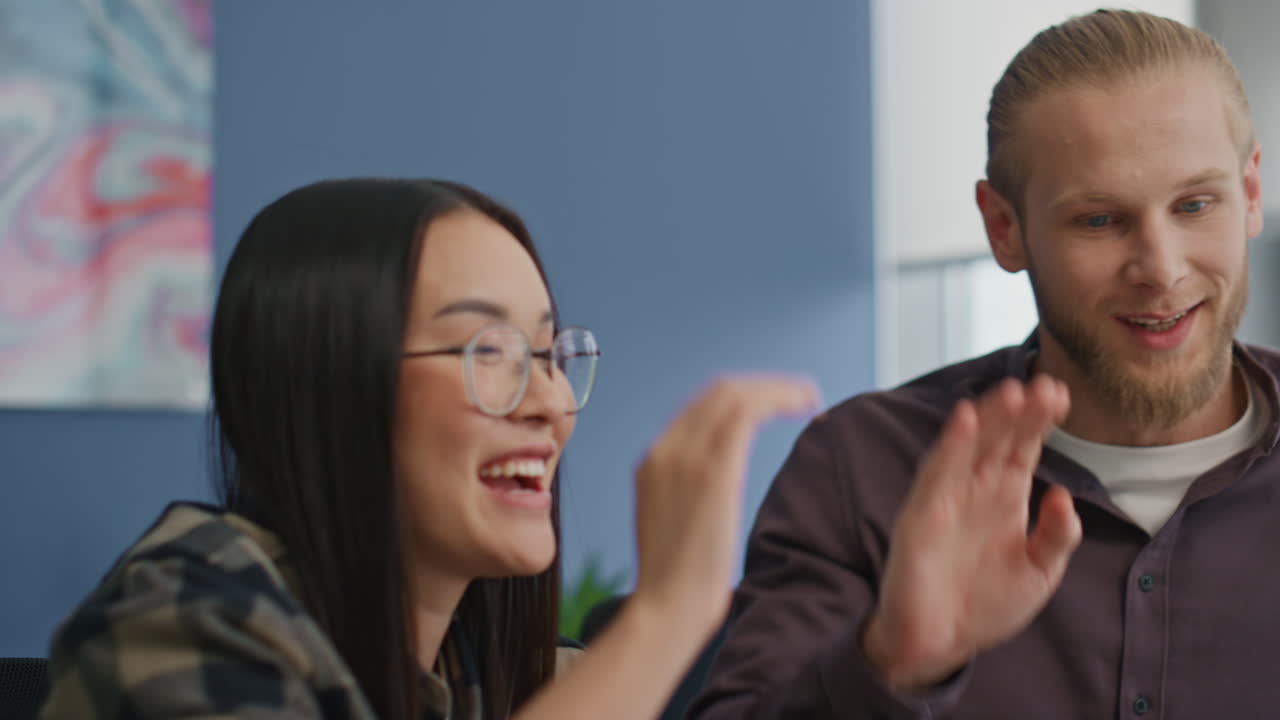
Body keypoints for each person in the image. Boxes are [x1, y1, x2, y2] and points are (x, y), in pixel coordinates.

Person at [37, 178, 818, 720]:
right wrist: (664, 617)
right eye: (487, 351)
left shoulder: (488, 677)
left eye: (547, 355)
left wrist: (900, 654)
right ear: (332, 382)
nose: (549, 403)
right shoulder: (184, 620)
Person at [690, 9, 1275, 719]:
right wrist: (891, 667)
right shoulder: (865, 471)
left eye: (1194, 204)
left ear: (1249, 194)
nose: (1161, 269)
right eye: (1098, 220)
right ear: (1004, 227)